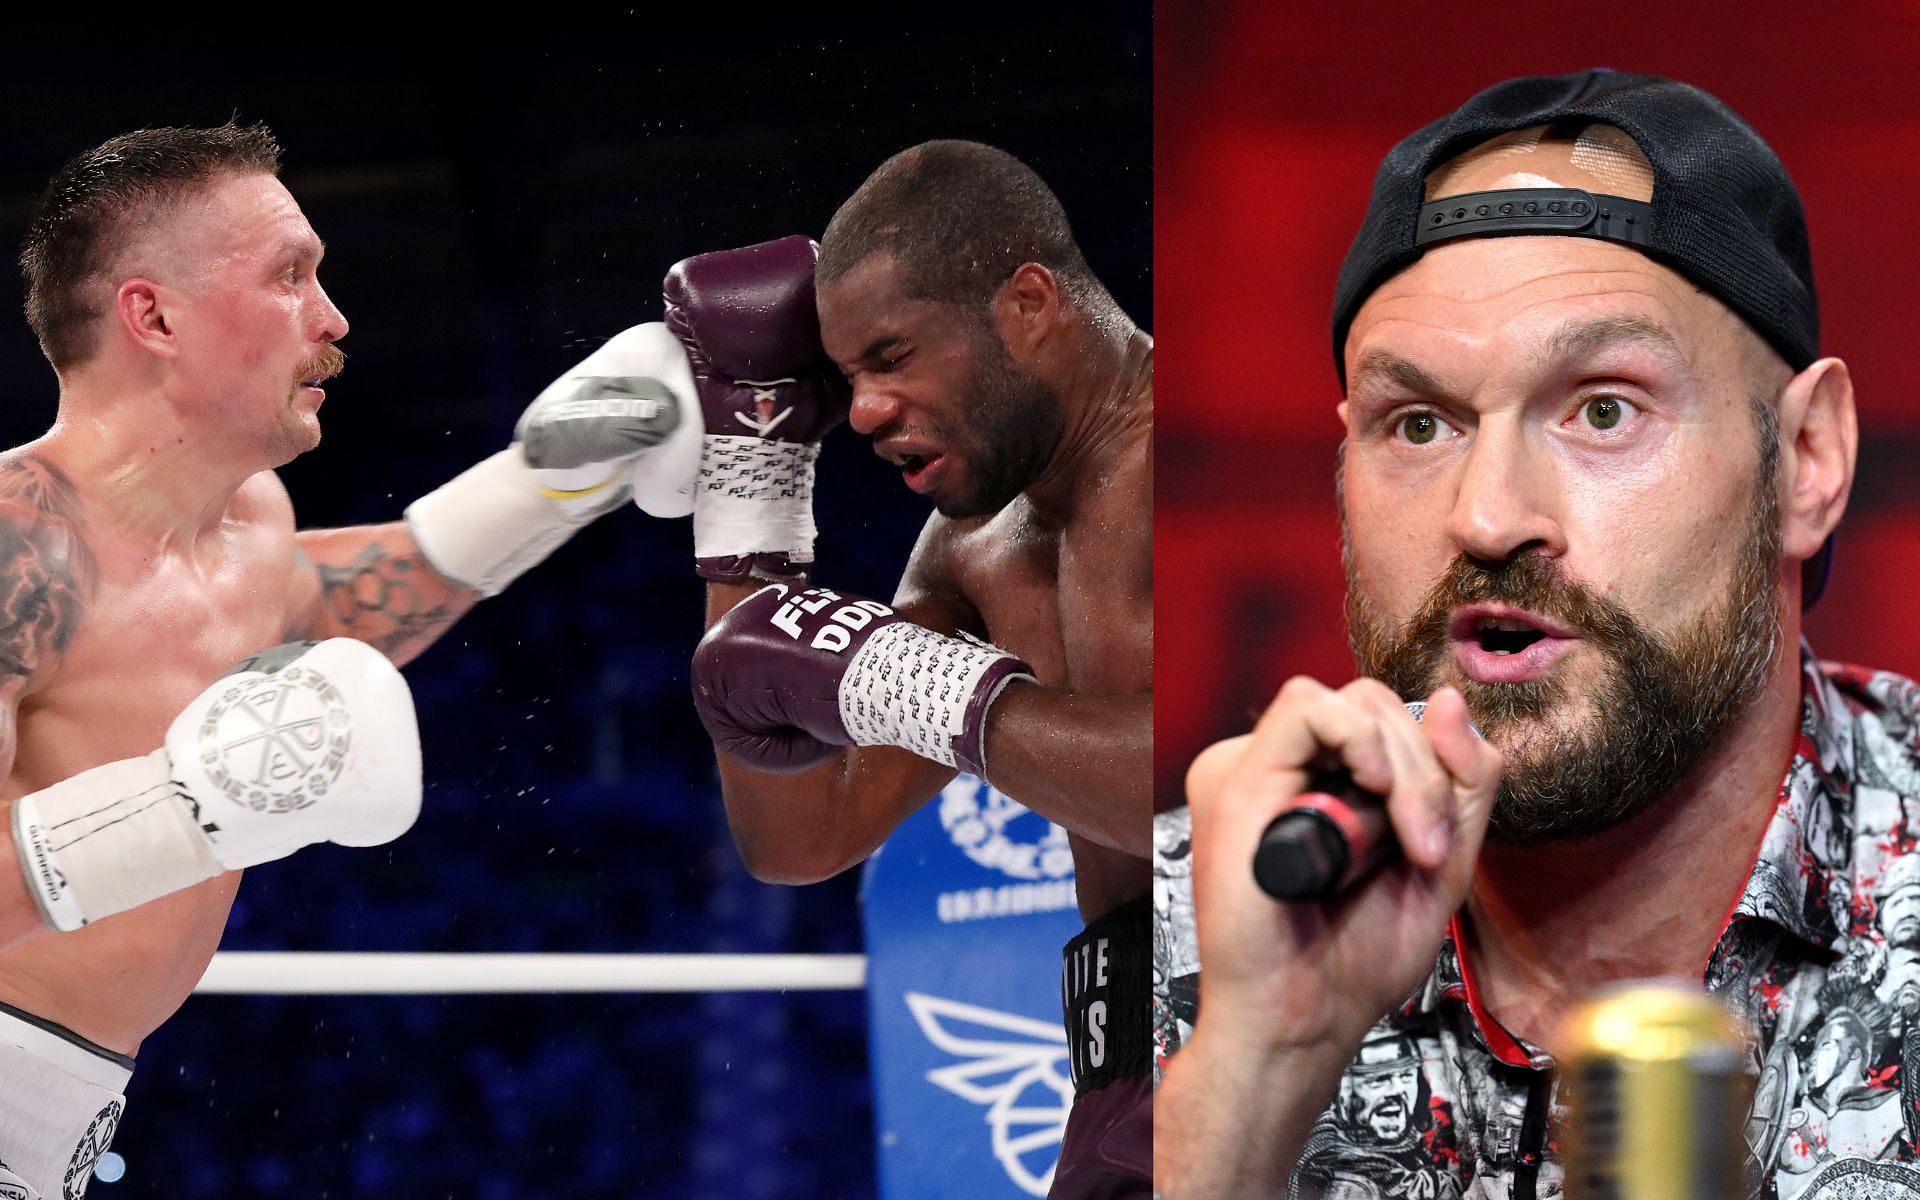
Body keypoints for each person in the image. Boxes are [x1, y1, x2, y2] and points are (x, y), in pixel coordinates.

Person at [1153, 70, 1920, 1200]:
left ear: (1808, 460)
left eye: (1604, 408)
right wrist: (1255, 1068)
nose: (1487, 515)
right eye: (1418, 424)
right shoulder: (1186, 919)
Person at [0, 122, 681, 1198]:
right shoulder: (15, 548)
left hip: (59, 1121)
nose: (332, 318)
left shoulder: (249, 525)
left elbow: (346, 608)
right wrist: (180, 810)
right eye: (289, 277)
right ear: (153, 314)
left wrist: (559, 479)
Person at [677, 141, 1153, 1197]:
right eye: (845, 379)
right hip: (1125, 1068)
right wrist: (754, 486)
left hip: (1327, 1032)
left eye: (892, 355)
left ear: (1027, 303)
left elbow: (1221, 801)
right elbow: (804, 833)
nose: (863, 412)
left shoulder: (1229, 455)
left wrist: (906, 677)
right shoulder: (976, 543)